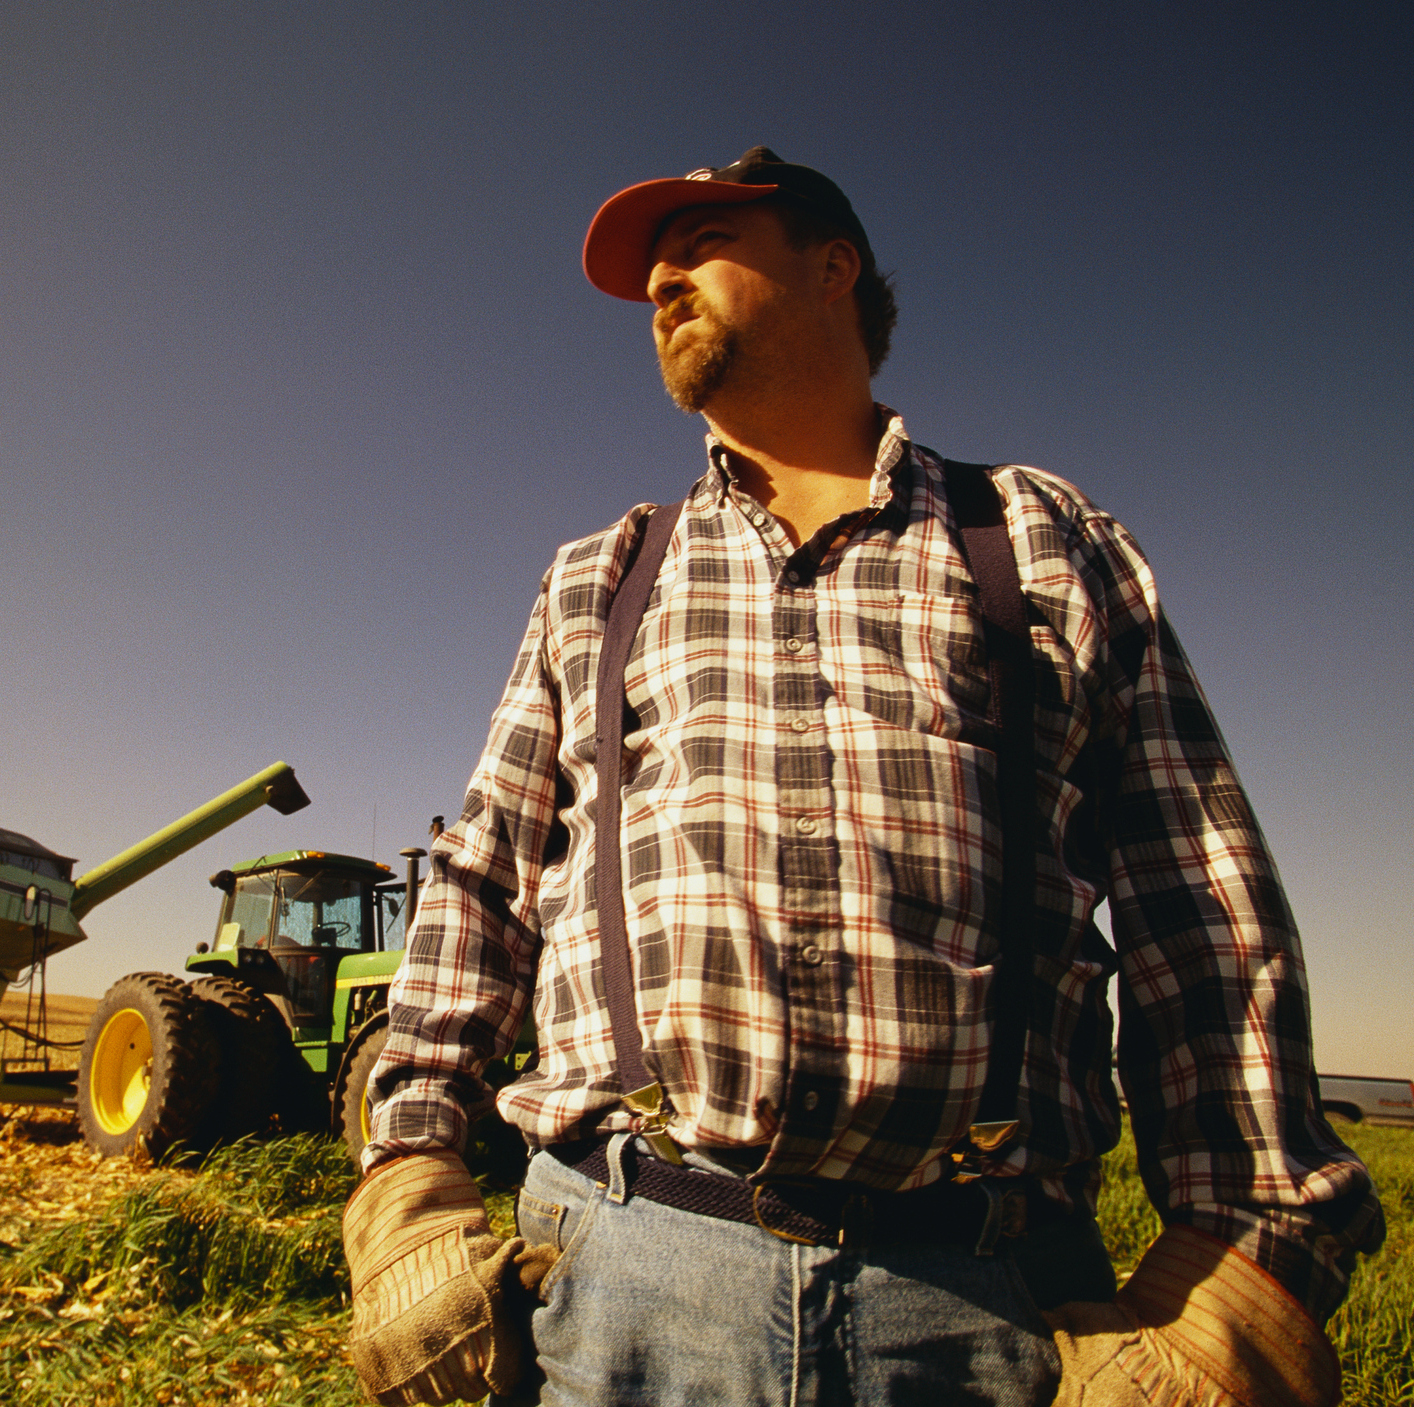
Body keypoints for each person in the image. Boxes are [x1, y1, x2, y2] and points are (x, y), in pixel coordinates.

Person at [341, 147, 1384, 1407]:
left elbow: (1198, 901)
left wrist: (1241, 1264)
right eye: (648, 266)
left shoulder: (1037, 540)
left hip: (992, 1303)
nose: (662, 277)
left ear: (833, 266)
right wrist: (407, 1176)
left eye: (703, 237)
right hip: (621, 1272)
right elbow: (483, 884)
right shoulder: (601, 576)